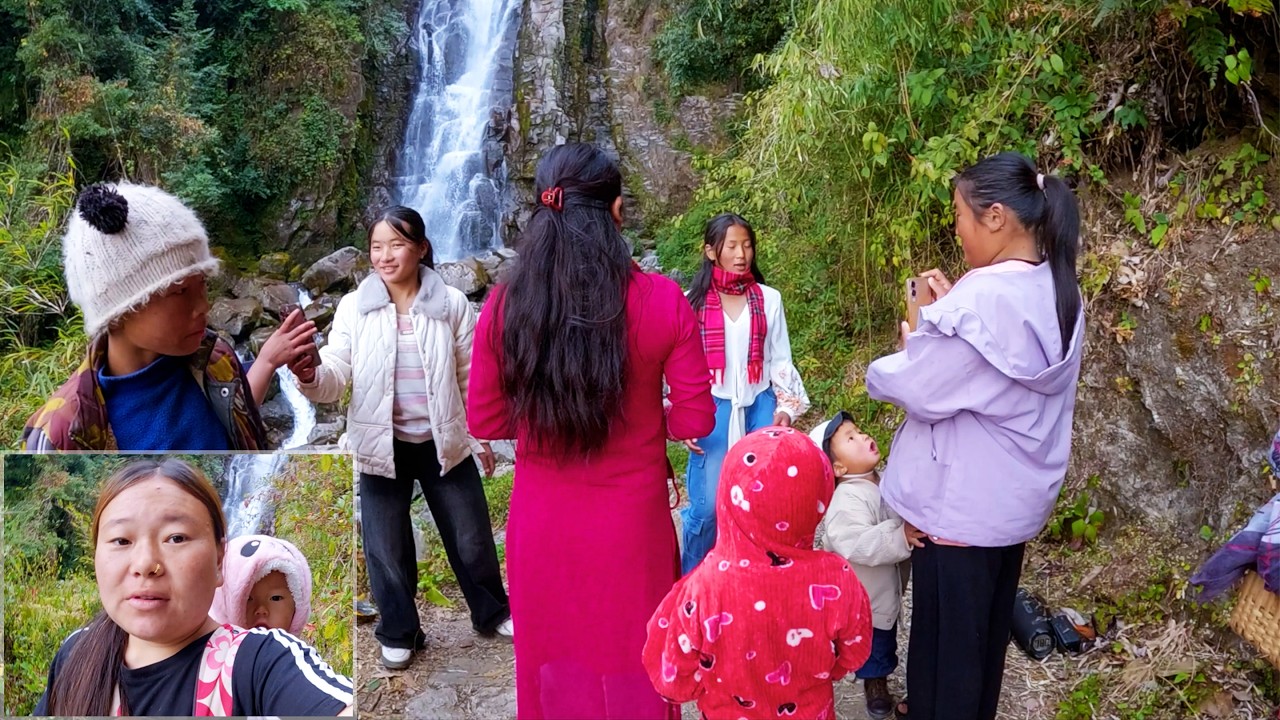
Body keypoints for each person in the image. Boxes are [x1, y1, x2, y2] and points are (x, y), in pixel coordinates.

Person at [467, 142, 716, 719]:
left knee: (553, 665)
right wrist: (644, 416)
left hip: (542, 526)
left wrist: (552, 409)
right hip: (632, 528)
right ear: (617, 211)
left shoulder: (506, 305)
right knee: (639, 661)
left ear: (542, 210)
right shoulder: (661, 300)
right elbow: (695, 419)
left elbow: (486, 419)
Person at [865, 151, 1085, 720]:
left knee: (944, 670)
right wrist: (950, 321)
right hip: (1006, 515)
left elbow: (916, 386)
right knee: (981, 655)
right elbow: (986, 375)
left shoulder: (981, 300)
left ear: (995, 217)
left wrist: (917, 338)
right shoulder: (1057, 287)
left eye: (959, 215)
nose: (957, 230)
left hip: (959, 517)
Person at [290, 206, 510, 669]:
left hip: (442, 440)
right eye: (377, 246)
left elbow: (469, 375)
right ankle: (400, 631)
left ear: (421, 248)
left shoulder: (451, 303)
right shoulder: (355, 307)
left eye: (397, 244)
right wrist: (310, 375)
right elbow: (336, 373)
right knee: (385, 548)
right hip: (379, 445)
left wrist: (481, 436)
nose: (385, 256)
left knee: (471, 538)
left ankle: (492, 612)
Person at [33, 458, 353, 715]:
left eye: (176, 538)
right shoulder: (76, 652)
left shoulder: (260, 661)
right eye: (121, 540)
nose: (145, 563)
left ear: (219, 560)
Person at [20, 181, 315, 452]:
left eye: (203, 284)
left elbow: (237, 422)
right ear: (118, 310)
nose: (204, 306)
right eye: (180, 291)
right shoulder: (62, 435)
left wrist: (266, 362)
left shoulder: (215, 358)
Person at [642, 427, 874, 719]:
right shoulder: (838, 577)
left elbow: (673, 679)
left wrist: (713, 686)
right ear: (818, 496)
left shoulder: (704, 588)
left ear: (728, 494)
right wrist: (820, 671)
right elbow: (854, 653)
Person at [680, 213, 809, 574]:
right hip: (712, 409)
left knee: (763, 499)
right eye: (732, 246)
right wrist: (684, 414)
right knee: (706, 509)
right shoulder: (691, 303)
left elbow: (780, 357)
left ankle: (756, 578)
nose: (741, 254)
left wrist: (786, 407)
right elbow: (682, 365)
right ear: (711, 251)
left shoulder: (769, 299)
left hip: (759, 404)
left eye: (747, 245)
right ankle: (693, 582)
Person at [810, 412, 922, 719]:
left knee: (884, 635)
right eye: (850, 438)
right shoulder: (846, 499)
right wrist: (900, 536)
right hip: (863, 598)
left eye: (858, 431)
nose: (862, 437)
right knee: (875, 643)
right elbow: (855, 542)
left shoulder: (880, 480)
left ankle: (875, 672)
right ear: (838, 468)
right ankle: (875, 683)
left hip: (883, 589)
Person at [209, 534, 311, 634]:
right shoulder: (213, 643)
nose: (261, 610)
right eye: (248, 599)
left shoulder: (295, 646)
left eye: (275, 598)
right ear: (225, 605)